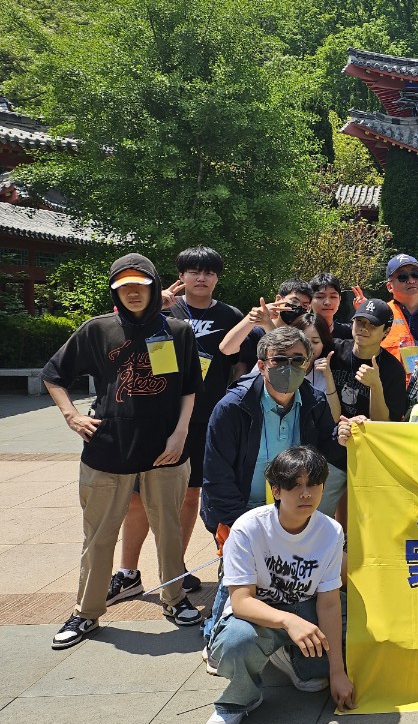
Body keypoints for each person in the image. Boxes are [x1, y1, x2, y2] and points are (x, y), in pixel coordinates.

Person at [41, 253, 204, 648]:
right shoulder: (98, 329)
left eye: (140, 284)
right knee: (99, 535)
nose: (133, 292)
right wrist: (71, 416)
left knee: (168, 530)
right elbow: (54, 374)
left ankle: (175, 598)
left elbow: (188, 387)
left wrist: (180, 434)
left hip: (165, 448)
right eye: (124, 286)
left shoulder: (177, 331)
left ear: (153, 286)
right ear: (115, 290)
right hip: (108, 447)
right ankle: (86, 611)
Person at [111, 246, 242, 603]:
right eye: (194, 271)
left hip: (203, 418)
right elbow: (123, 340)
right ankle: (127, 573)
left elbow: (241, 365)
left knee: (189, 495)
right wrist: (154, 308)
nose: (202, 278)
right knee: (137, 498)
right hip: (154, 415)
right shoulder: (162, 308)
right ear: (181, 276)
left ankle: (175, 570)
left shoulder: (230, 315)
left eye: (209, 272)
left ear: (217, 277)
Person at [204, 446, 354, 724]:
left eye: (313, 484)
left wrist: (337, 672)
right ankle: (239, 698)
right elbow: (242, 601)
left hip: (307, 609)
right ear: (276, 490)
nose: (306, 493)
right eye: (295, 485)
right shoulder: (248, 528)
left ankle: (290, 656)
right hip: (258, 616)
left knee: (356, 634)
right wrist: (289, 621)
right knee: (236, 643)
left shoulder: (331, 531)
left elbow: (329, 604)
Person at [201, 326, 347, 547]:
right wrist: (243, 528)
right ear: (261, 366)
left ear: (306, 364)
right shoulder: (232, 408)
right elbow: (217, 477)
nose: (289, 366)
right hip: (241, 517)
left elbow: (328, 450)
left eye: (297, 360)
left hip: (294, 516)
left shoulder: (315, 402)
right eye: (279, 360)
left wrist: (342, 437)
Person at [328, 298, 409, 423]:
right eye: (359, 321)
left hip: (369, 433)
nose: (364, 328)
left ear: (386, 331)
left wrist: (375, 385)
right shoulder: (333, 351)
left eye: (373, 325)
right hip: (332, 430)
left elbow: (386, 423)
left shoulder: (393, 370)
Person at [228, 279, 314, 375]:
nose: (297, 308)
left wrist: (268, 324)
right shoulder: (256, 333)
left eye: (304, 306)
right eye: (294, 301)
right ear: (278, 299)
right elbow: (227, 349)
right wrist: (251, 318)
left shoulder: (302, 338)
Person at [379, 253, 418, 363]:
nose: (411, 280)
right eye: (403, 277)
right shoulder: (380, 316)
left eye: (416, 274)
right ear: (389, 286)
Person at [310, 273, 352, 339]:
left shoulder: (349, 332)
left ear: (339, 299)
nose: (327, 302)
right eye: (320, 297)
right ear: (310, 300)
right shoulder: (300, 332)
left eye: (333, 297)